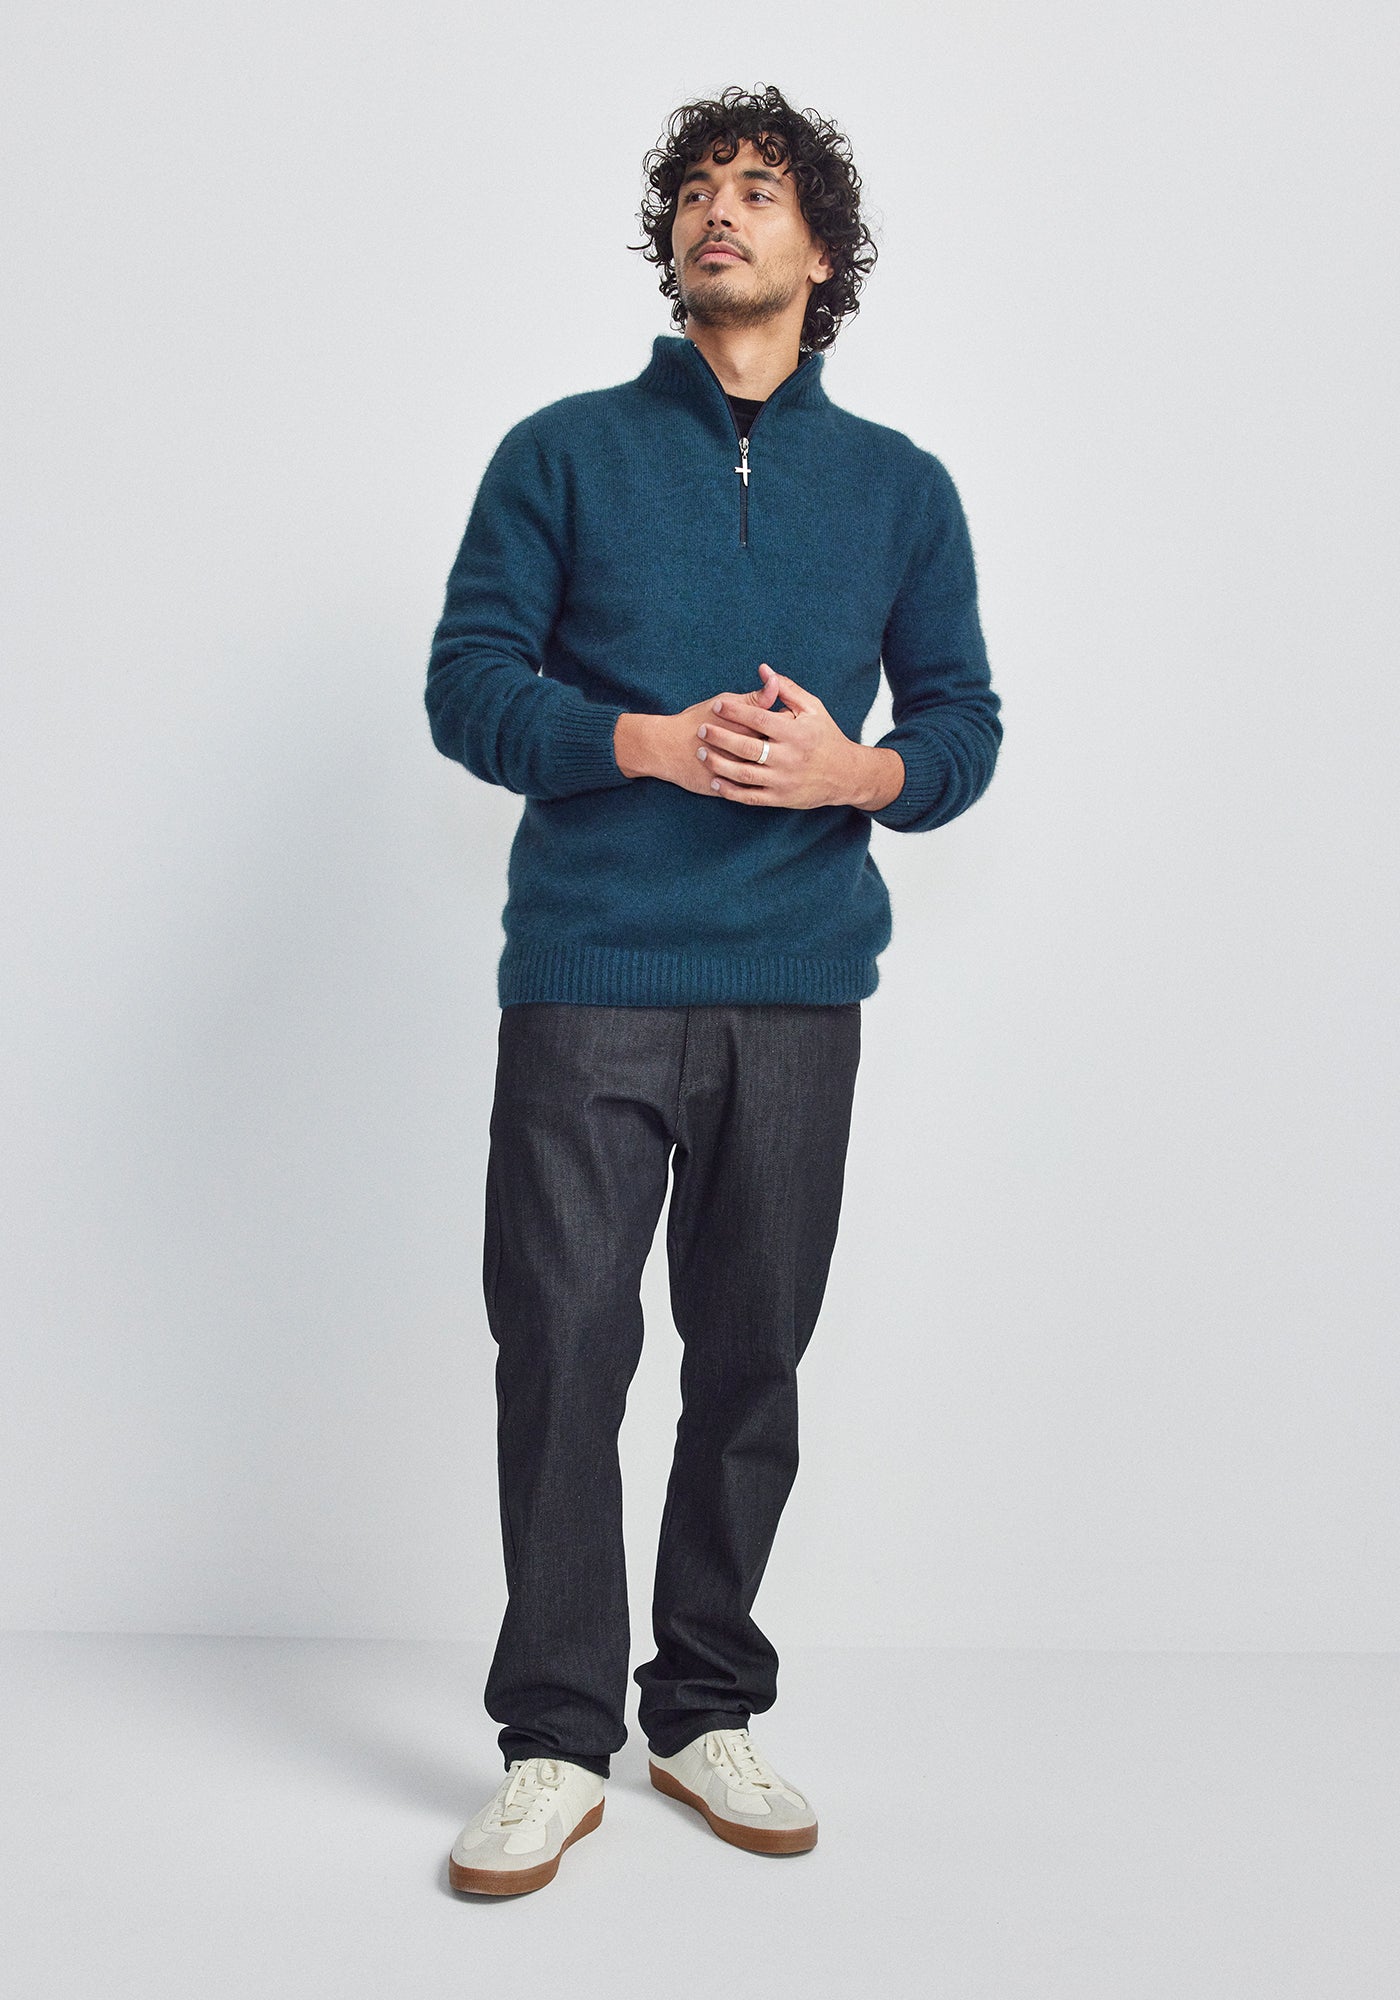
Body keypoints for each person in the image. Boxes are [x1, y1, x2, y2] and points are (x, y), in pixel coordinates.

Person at [425, 82, 1002, 1896]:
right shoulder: (561, 454)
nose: (717, 210)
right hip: (588, 975)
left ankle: (702, 1710)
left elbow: (964, 725)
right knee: (564, 1352)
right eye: (692, 189)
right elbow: (465, 688)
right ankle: (551, 1741)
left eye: (758, 188)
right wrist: (640, 741)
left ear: (821, 252)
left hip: (797, 988)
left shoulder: (900, 489)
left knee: (751, 1360)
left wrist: (859, 775)